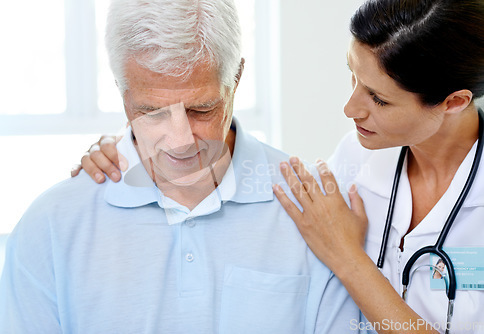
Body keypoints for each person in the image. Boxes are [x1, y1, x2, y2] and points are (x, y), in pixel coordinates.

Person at [78, 0, 484, 333]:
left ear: (453, 102)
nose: (349, 107)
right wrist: (137, 144)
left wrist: (347, 258)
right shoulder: (355, 160)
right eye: (353, 77)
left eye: (378, 99)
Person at [0, 0, 361, 333]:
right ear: (122, 92)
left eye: (201, 109)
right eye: (152, 112)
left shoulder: (315, 209)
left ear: (236, 79)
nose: (180, 140)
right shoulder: (53, 225)